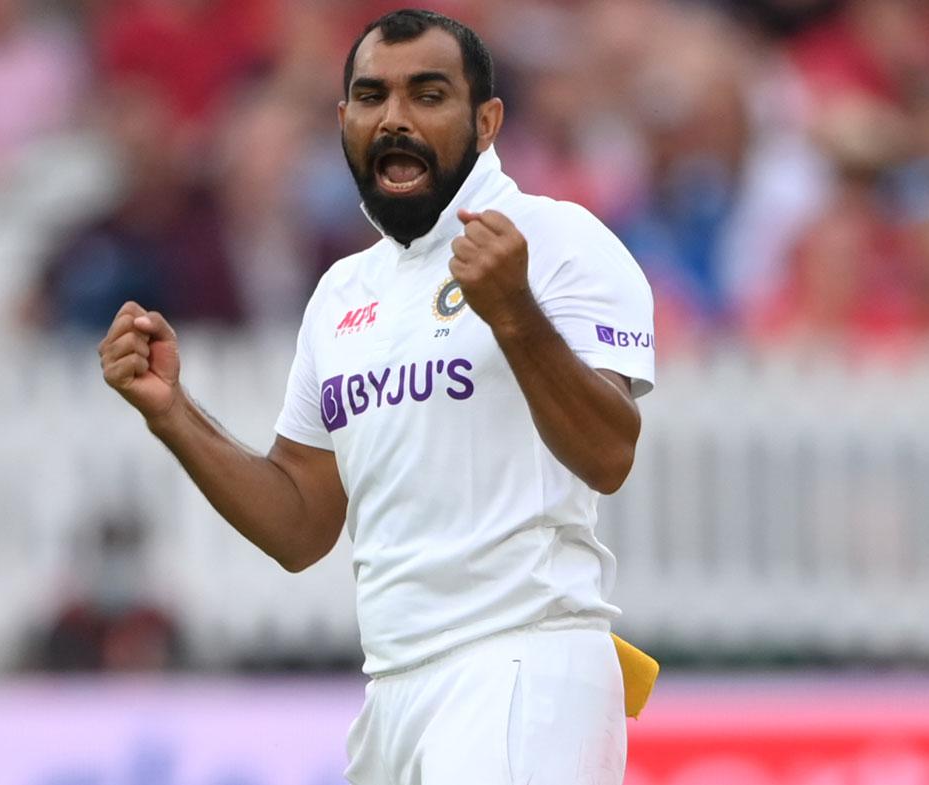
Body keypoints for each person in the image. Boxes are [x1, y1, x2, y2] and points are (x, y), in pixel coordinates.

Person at [98, 9, 656, 784]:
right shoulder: (342, 291)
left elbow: (609, 453)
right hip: (393, 685)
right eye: (371, 96)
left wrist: (515, 314)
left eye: (428, 95)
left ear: (486, 120)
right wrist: (173, 412)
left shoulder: (559, 241)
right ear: (343, 120)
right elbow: (301, 524)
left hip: (523, 659)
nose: (394, 118)